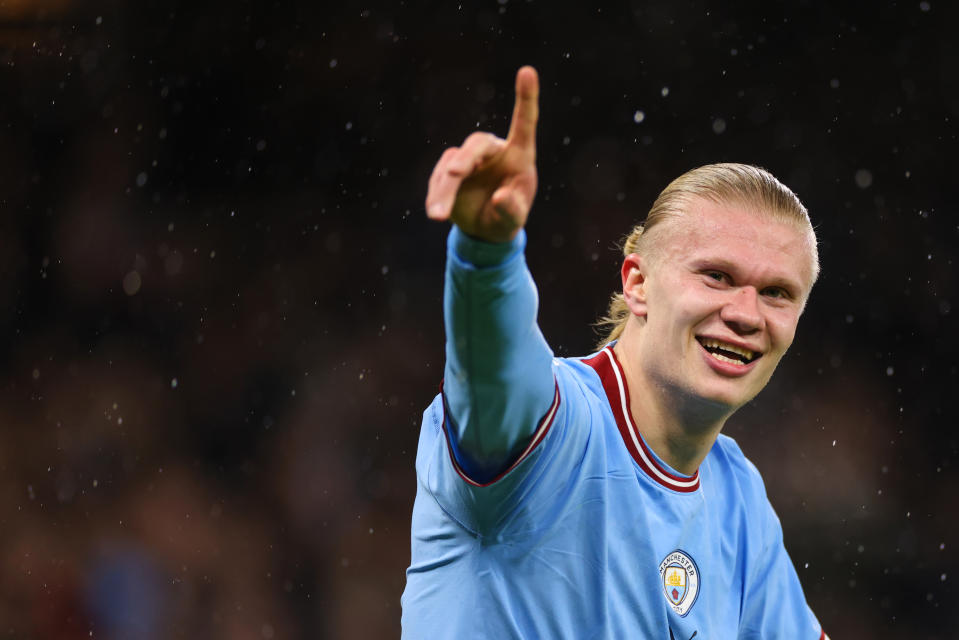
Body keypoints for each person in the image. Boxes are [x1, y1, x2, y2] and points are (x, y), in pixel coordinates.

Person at [402, 65, 829, 640]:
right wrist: (487, 253)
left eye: (777, 293)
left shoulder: (738, 493)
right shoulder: (550, 430)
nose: (747, 314)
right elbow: (494, 367)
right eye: (717, 277)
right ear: (638, 283)